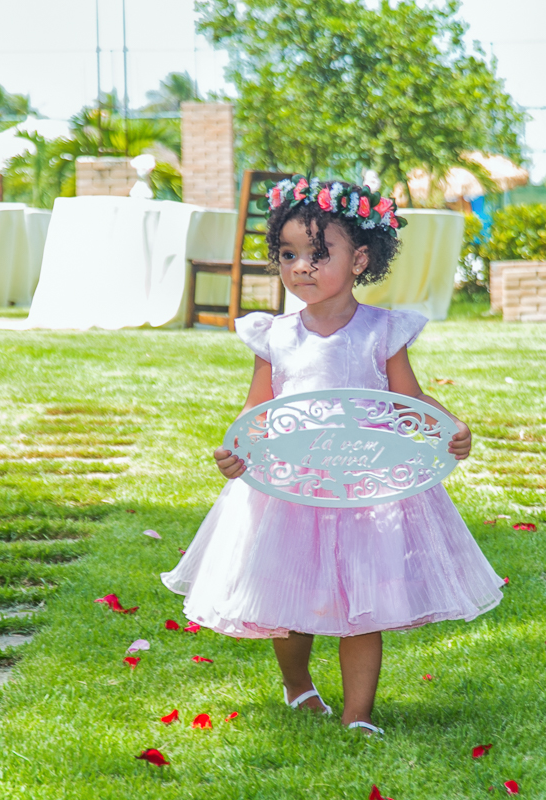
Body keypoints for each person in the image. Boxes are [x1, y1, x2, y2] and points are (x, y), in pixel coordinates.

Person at [161, 177, 504, 734]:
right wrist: (235, 451)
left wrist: (448, 428)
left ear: (360, 258)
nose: (302, 267)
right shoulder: (274, 336)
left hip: (367, 486)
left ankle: (357, 715)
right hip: (292, 486)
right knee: (292, 595)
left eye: (319, 255)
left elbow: (407, 399)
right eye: (289, 255)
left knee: (361, 602)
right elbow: (258, 410)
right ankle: (299, 685)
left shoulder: (381, 331)